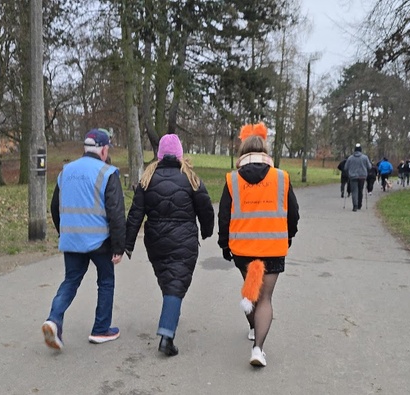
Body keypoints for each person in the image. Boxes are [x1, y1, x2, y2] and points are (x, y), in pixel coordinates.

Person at [124, 133, 214, 357]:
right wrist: (207, 231)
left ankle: (170, 314)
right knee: (175, 283)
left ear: (160, 155)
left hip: (155, 241)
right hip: (184, 240)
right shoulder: (191, 179)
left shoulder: (147, 179)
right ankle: (166, 335)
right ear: (180, 154)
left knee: (169, 279)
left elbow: (135, 214)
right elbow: (206, 208)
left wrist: (128, 243)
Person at [217, 123, 300, 367]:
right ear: (265, 149)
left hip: (243, 249)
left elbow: (224, 216)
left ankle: (254, 327)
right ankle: (258, 348)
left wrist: (224, 245)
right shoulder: (281, 178)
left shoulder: (232, 180)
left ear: (243, 151)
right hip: (273, 246)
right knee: (265, 298)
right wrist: (289, 235)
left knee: (251, 291)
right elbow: (293, 213)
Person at [43, 128, 126, 351]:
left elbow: (54, 207)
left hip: (73, 240)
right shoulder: (107, 172)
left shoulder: (66, 171)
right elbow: (116, 212)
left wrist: (65, 232)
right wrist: (119, 246)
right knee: (106, 281)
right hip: (100, 241)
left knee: (70, 281)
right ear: (104, 149)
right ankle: (101, 329)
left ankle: (54, 319)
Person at [344, 144, 372, 211]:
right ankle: (359, 205)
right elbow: (369, 167)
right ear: (361, 150)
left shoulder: (350, 158)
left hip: (353, 177)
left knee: (354, 191)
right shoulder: (365, 158)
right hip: (362, 176)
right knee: (360, 190)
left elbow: (345, 168)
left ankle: (355, 206)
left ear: (354, 150)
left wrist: (349, 173)